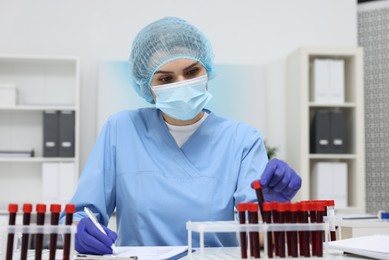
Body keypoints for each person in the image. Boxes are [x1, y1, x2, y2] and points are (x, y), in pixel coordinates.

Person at [62, 16, 302, 255]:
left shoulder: (241, 139)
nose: (181, 84)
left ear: (206, 71)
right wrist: (78, 231)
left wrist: (272, 211)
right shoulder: (121, 129)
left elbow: (257, 236)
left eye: (191, 72)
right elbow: (82, 214)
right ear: (148, 86)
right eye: (166, 78)